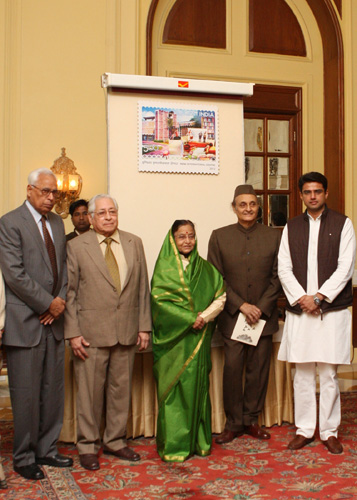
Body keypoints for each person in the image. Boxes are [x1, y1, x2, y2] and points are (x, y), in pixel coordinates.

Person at [65, 194, 151, 471]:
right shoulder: (77, 247)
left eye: (112, 211)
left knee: (119, 391)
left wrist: (143, 326)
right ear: (90, 218)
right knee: (89, 394)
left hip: (126, 330)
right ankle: (88, 446)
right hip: (90, 334)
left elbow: (142, 289)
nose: (108, 217)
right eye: (101, 213)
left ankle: (115, 440)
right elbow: (70, 293)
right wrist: (73, 333)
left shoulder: (133, 242)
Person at [0, 168, 72, 481]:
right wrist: (47, 303)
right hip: (25, 322)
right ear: (29, 190)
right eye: (45, 191)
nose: (51, 197)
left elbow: (65, 270)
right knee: (26, 394)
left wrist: (58, 304)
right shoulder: (10, 222)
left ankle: (47, 449)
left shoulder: (57, 222)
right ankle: (24, 456)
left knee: (52, 392)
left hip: (54, 322)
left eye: (54, 192)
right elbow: (14, 274)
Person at [278, 172, 356, 454]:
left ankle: (329, 431)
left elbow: (345, 267)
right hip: (301, 310)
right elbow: (283, 267)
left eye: (318, 191)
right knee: (302, 372)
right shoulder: (291, 226)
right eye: (308, 191)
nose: (313, 196)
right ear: (301, 195)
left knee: (329, 373)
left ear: (326, 194)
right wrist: (303, 298)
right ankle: (304, 429)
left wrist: (320, 297)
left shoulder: (343, 224)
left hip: (330, 310)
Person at [208, 184, 281, 444]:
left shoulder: (274, 236)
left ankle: (251, 420)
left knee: (258, 369)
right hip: (232, 316)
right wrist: (241, 305)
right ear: (234, 207)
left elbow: (278, 276)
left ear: (258, 207)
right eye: (242, 204)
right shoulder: (219, 236)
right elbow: (216, 278)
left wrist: (260, 307)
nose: (248, 208)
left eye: (252, 204)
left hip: (264, 316)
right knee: (233, 369)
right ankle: (233, 423)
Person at [151, 220, 226, 462]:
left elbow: (220, 296)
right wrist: (188, 318)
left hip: (198, 338)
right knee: (174, 392)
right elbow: (159, 303)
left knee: (198, 389)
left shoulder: (205, 268)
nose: (187, 241)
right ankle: (174, 446)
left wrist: (202, 318)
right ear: (172, 239)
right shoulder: (164, 269)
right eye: (181, 236)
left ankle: (199, 443)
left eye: (191, 236)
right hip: (173, 343)